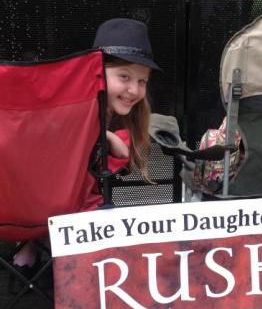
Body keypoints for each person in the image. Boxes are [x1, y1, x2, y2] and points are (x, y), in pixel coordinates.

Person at [13, 18, 160, 270]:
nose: (134, 90)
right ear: (96, 74)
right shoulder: (70, 110)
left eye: (142, 81)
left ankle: (35, 241)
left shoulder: (120, 116)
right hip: (43, 206)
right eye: (124, 76)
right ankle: (35, 239)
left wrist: (107, 136)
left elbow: (126, 154)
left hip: (54, 208)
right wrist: (104, 135)